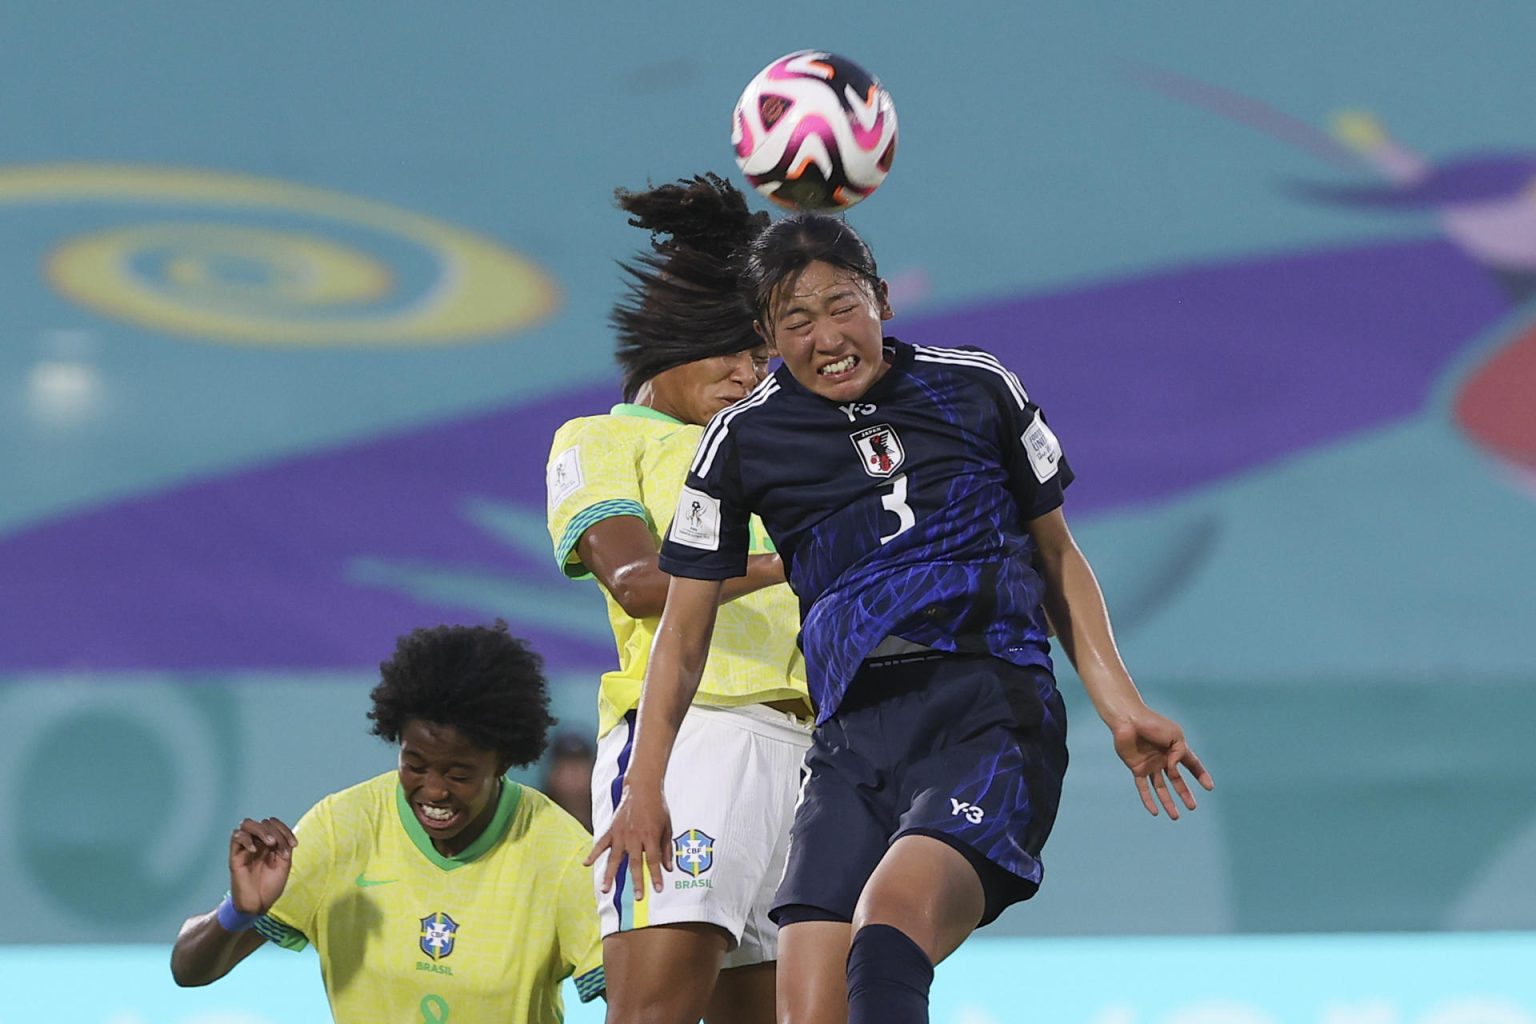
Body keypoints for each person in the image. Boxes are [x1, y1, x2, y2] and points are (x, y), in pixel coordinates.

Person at [590, 212, 1216, 1024]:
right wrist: (646, 783)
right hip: (850, 742)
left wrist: (1121, 705)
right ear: (768, 336)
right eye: (797, 319)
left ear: (882, 299)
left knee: (884, 930)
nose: (828, 336)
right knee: (810, 1006)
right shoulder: (742, 441)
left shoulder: (978, 386)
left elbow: (1056, 554)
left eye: (843, 305)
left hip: (987, 713)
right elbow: (681, 629)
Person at [545, 173, 814, 1024]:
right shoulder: (596, 442)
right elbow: (637, 582)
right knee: (655, 1014)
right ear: (670, 342)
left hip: (810, 751)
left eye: (760, 354)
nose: (748, 372)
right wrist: (789, 563)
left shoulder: (771, 453)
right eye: (731, 350)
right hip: (695, 739)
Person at [170, 621, 605, 1023]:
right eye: (414, 765)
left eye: (458, 774)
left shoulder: (561, 852)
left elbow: (639, 1003)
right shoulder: (341, 829)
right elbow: (188, 970)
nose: (434, 791)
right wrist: (239, 912)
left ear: (504, 761)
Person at [541, 731, 598, 832]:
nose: (574, 776)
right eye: (567, 767)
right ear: (553, 774)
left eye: (579, 767)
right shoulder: (538, 814)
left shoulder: (606, 816)